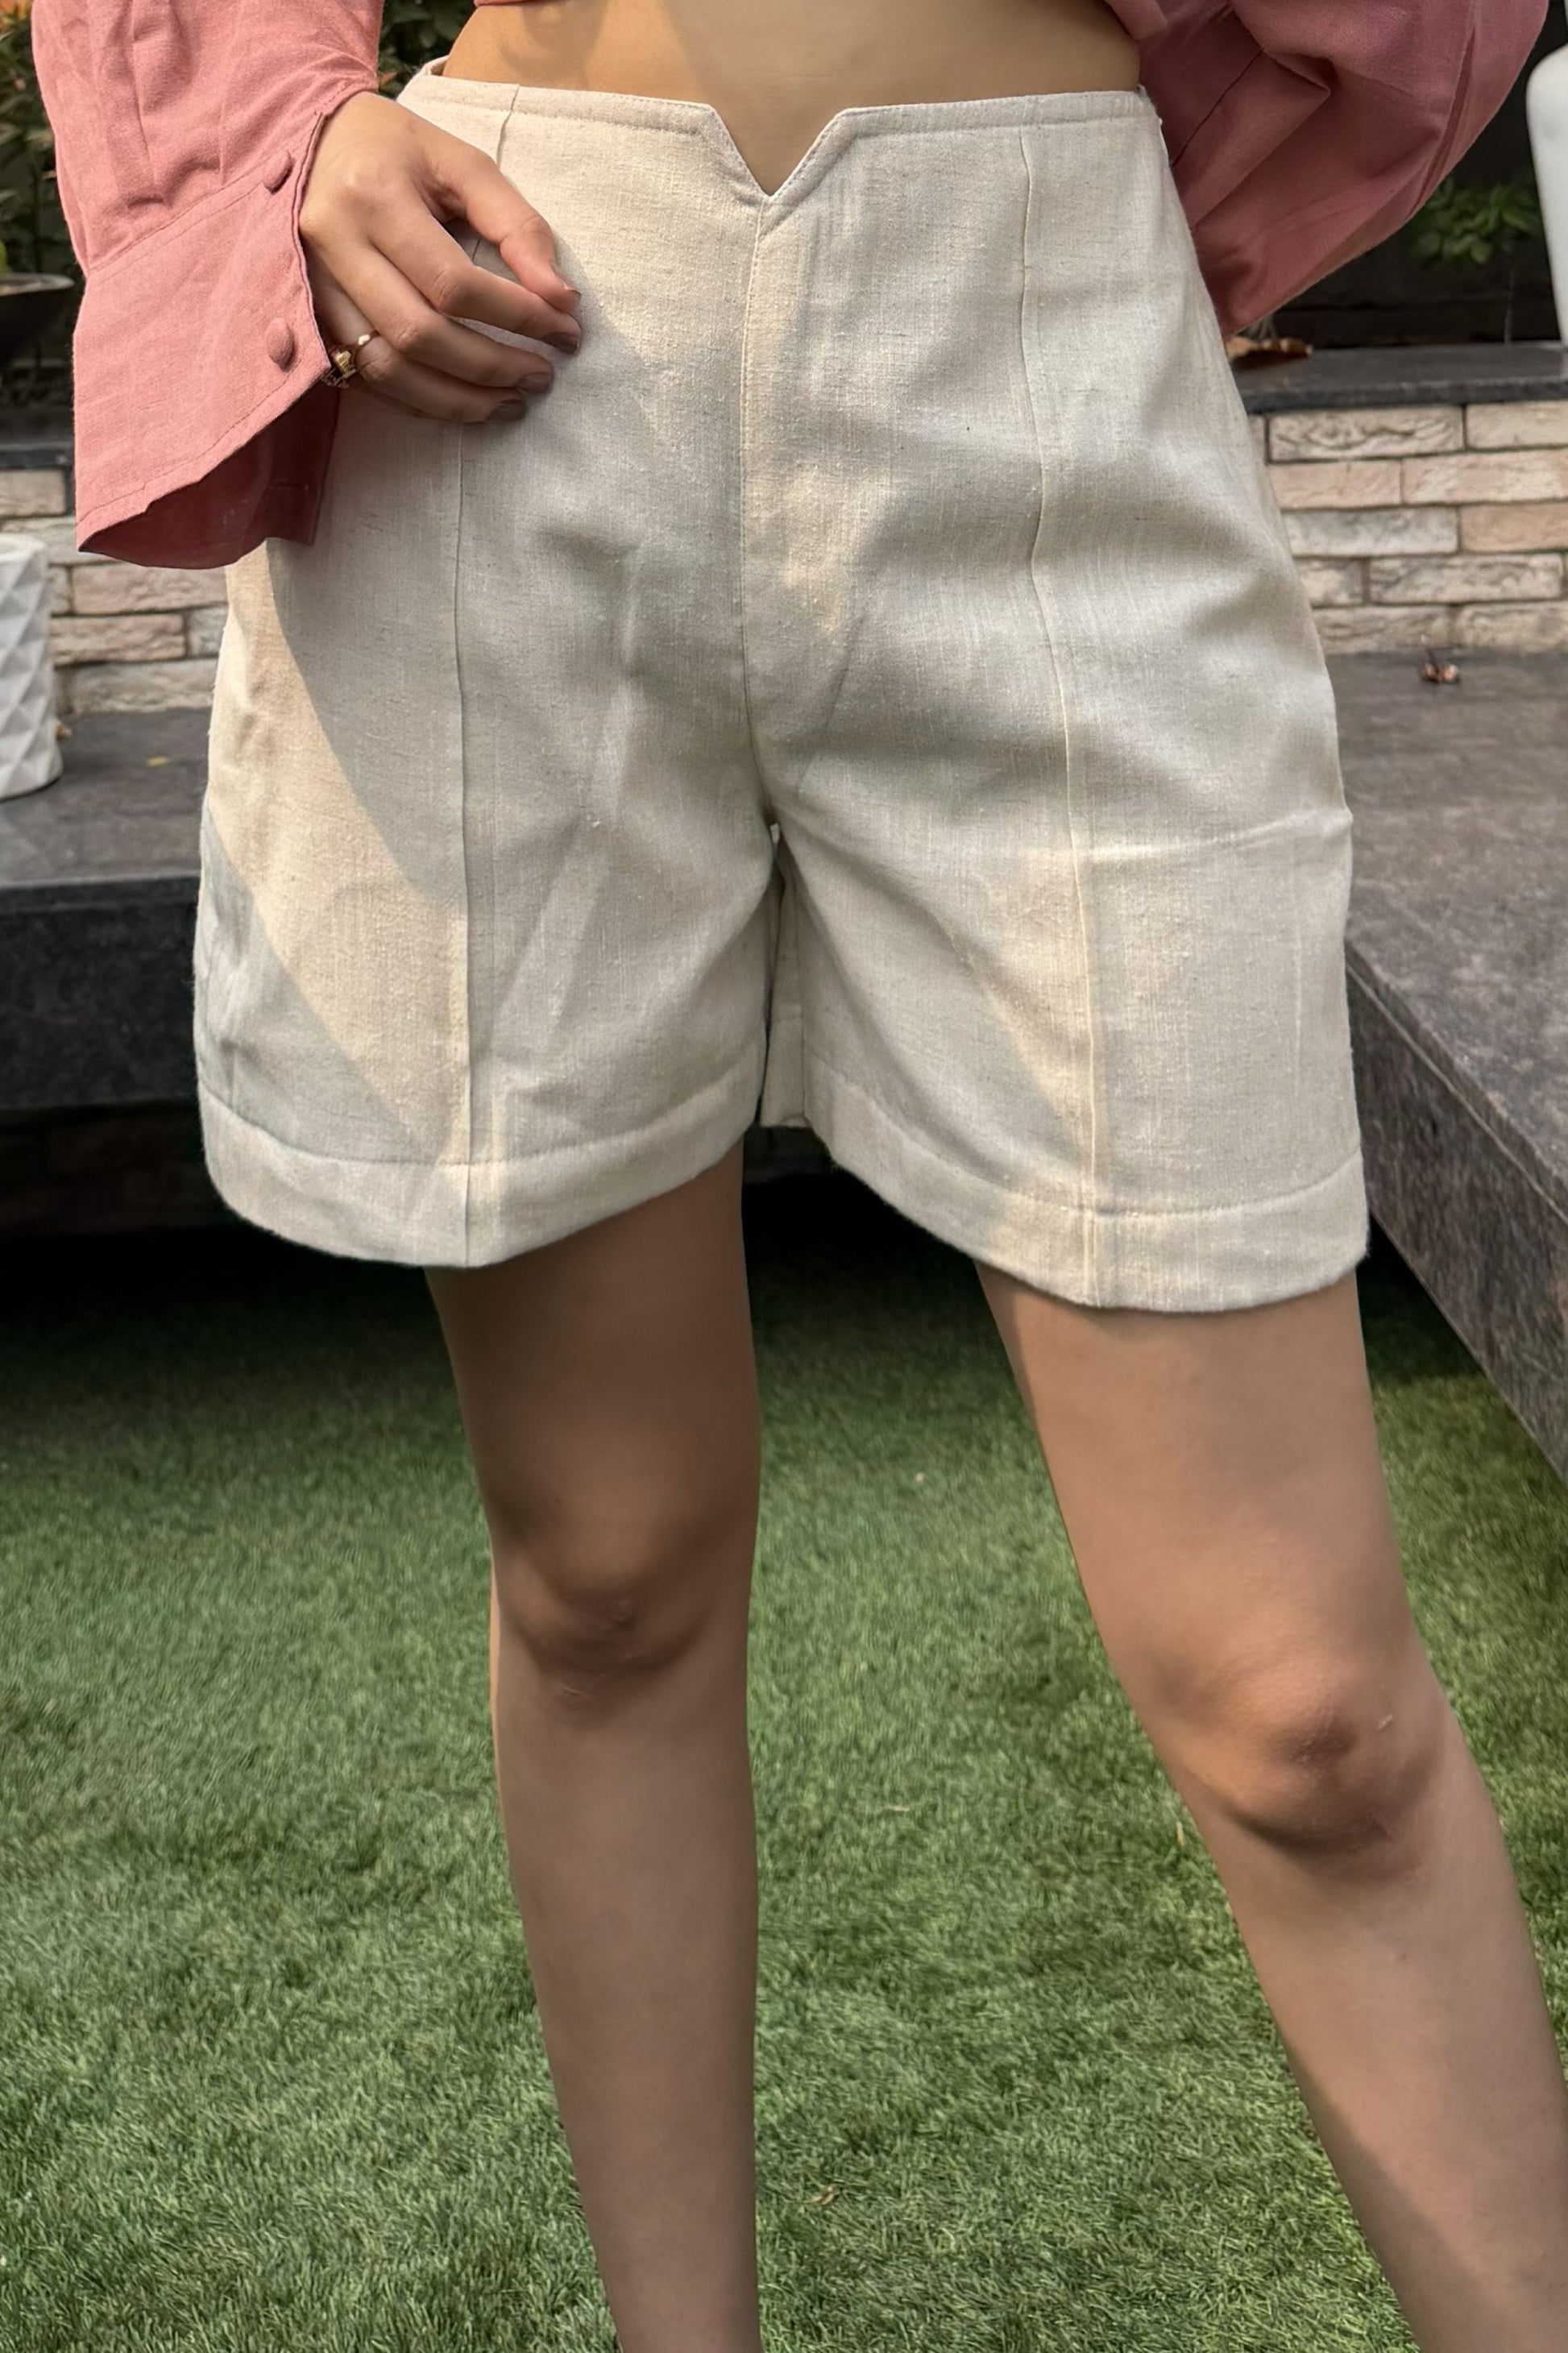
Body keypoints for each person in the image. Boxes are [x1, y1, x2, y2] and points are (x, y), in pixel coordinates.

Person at [31, 2, 1568, 2348]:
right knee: (607, 1575)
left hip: (1039, 325)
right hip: (510, 329)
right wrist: (288, 148)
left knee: (1310, 1716)